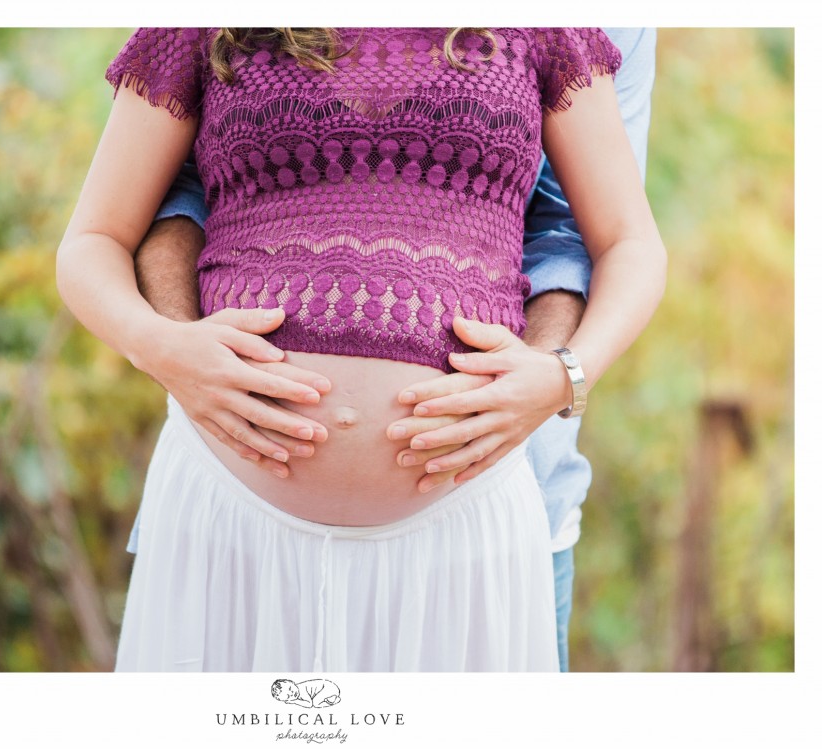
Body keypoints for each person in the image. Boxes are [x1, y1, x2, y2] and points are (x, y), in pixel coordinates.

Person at [55, 27, 666, 671]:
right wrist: (161, 346)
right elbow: (93, 238)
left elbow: (629, 242)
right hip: (228, 523)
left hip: (462, 526)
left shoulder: (549, 28)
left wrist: (562, 375)